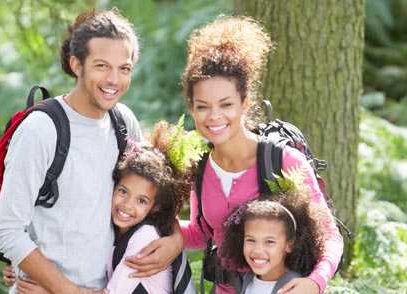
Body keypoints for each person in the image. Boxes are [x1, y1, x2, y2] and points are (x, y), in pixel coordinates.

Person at [126, 16, 343, 294]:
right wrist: (167, 234)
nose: (214, 116)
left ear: (245, 103)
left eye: (226, 104)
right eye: (203, 106)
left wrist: (315, 282)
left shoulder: (283, 161)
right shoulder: (201, 167)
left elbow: (329, 236)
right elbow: (204, 231)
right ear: (191, 108)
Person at [0, 9, 146, 294]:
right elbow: (6, 230)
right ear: (77, 64)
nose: (114, 79)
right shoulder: (41, 130)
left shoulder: (124, 123)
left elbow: (151, 201)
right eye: (101, 66)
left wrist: (173, 243)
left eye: (124, 68)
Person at [3, 123, 199, 294]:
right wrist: (23, 267)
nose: (127, 205)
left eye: (142, 201)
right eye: (123, 191)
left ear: (154, 208)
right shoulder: (116, 231)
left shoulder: (144, 238)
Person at [220, 182, 325, 294]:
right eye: (251, 240)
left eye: (269, 242)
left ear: (289, 245)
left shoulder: (295, 289)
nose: (258, 250)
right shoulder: (246, 281)